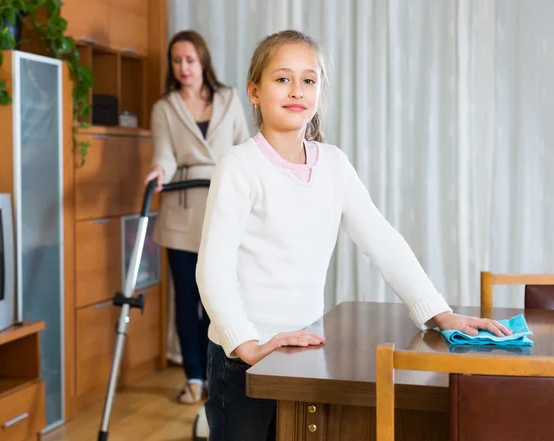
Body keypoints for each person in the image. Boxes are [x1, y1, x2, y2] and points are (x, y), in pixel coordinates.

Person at [195, 29, 512, 440]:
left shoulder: (334, 165)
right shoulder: (238, 166)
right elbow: (212, 272)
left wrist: (438, 311)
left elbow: (383, 240)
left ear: (320, 93)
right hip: (240, 363)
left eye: (308, 80)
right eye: (282, 79)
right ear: (254, 91)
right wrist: (246, 344)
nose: (296, 90)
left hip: (303, 354)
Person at [145, 29, 250, 405]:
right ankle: (192, 376)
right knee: (186, 298)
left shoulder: (229, 98)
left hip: (223, 207)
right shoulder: (164, 107)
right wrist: (159, 170)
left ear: (203, 61)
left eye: (190, 59)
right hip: (181, 212)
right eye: (177, 61)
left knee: (217, 297)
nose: (183, 67)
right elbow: (166, 155)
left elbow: (243, 148)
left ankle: (216, 375)